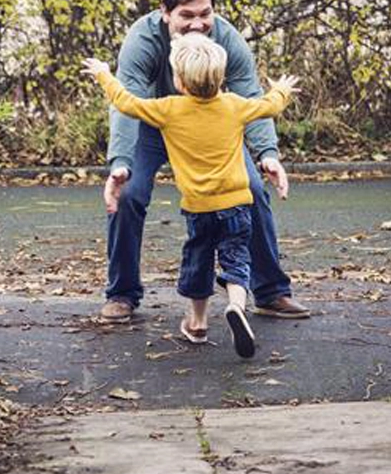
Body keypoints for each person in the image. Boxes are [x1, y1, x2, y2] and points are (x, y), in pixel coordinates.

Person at [99, 0, 310, 324]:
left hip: (211, 124)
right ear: (165, 14)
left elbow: (250, 95)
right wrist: (120, 161)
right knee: (130, 194)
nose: (198, 23)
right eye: (186, 16)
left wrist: (267, 154)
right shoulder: (143, 39)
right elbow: (128, 97)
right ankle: (122, 293)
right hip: (154, 122)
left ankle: (271, 291)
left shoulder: (227, 37)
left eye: (205, 14)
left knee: (254, 191)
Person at [82, 33, 300, 357]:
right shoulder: (234, 105)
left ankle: (197, 323)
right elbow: (270, 106)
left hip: (199, 209)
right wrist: (283, 89)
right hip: (237, 204)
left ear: (180, 81)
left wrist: (103, 74)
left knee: (198, 261)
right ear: (221, 78)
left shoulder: (169, 109)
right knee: (237, 259)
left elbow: (126, 102)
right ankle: (237, 306)